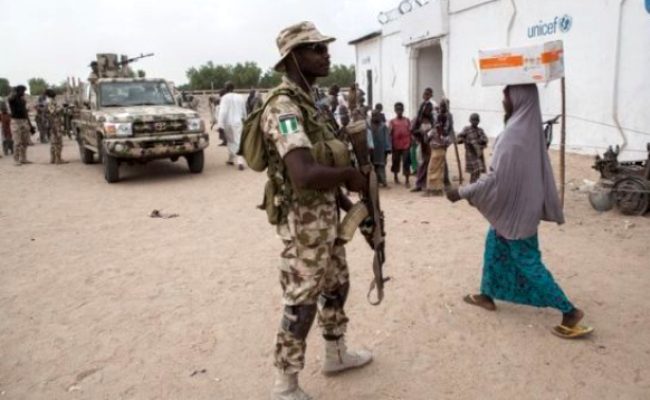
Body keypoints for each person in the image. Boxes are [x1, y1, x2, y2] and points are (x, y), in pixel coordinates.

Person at [259, 21, 372, 400]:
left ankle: (336, 354)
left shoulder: (312, 103)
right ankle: (285, 384)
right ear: (293, 57)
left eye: (325, 47)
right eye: (316, 49)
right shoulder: (284, 106)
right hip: (304, 224)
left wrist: (351, 206)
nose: (326, 55)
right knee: (301, 301)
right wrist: (350, 176)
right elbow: (304, 173)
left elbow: (324, 163)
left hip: (326, 219)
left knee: (337, 286)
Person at [446, 84, 593, 339]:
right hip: (521, 207)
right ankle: (487, 295)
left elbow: (496, 179)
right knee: (494, 247)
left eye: (506, 97)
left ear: (518, 99)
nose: (503, 101)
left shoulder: (513, 135)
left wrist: (462, 192)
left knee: (527, 261)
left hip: (517, 213)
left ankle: (569, 312)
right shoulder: (530, 130)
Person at [426, 100, 453, 195]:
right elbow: (448, 140)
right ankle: (438, 189)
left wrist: (430, 138)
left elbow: (428, 137)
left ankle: (432, 189)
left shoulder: (436, 130)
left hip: (436, 149)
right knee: (439, 168)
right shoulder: (444, 132)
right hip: (441, 148)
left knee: (433, 168)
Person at [218, 82, 248, 170]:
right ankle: (236, 160)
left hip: (227, 123)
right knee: (238, 141)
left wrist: (220, 125)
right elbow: (244, 111)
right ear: (233, 88)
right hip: (238, 122)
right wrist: (245, 120)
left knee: (230, 141)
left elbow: (222, 112)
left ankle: (234, 160)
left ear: (225, 88)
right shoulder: (240, 97)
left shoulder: (224, 98)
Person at [8, 85, 36, 165]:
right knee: (17, 142)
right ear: (18, 91)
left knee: (24, 141)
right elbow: (10, 98)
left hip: (24, 121)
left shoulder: (23, 100)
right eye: (22, 91)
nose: (24, 93)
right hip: (16, 121)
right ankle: (16, 160)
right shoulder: (13, 99)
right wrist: (14, 91)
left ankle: (23, 158)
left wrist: (30, 126)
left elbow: (25, 113)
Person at [457, 113, 488, 183]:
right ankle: (473, 185)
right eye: (473, 120)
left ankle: (473, 185)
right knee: (475, 170)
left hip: (479, 154)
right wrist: (464, 140)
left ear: (479, 121)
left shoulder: (480, 130)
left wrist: (480, 142)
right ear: (470, 120)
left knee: (478, 170)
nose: (475, 122)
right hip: (470, 154)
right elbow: (459, 138)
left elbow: (485, 139)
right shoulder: (466, 129)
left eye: (476, 120)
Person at [411, 101, 435, 192]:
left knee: (430, 164)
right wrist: (421, 132)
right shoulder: (418, 119)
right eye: (427, 109)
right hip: (421, 144)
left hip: (431, 144)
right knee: (422, 164)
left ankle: (428, 183)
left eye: (430, 109)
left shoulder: (432, 119)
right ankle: (419, 184)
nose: (428, 111)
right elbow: (412, 130)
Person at [388, 102, 411, 186]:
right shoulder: (392, 121)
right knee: (395, 161)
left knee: (406, 161)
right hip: (396, 145)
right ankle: (395, 177)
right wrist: (390, 145)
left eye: (400, 109)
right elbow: (389, 133)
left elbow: (410, 131)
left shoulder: (407, 120)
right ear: (395, 110)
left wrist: (411, 142)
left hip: (406, 144)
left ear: (403, 110)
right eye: (397, 109)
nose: (399, 111)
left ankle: (407, 180)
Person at [368, 110, 391, 187]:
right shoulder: (369, 126)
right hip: (372, 150)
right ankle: (375, 181)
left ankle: (384, 181)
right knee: (373, 166)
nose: (375, 117)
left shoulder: (383, 126)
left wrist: (388, 148)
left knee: (381, 165)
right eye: (373, 115)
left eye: (376, 115)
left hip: (381, 150)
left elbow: (387, 137)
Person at [45, 89, 67, 164]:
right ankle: (58, 159)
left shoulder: (49, 101)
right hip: (55, 122)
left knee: (53, 141)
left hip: (53, 122)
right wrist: (62, 108)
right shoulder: (50, 101)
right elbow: (53, 112)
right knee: (58, 141)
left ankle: (53, 158)